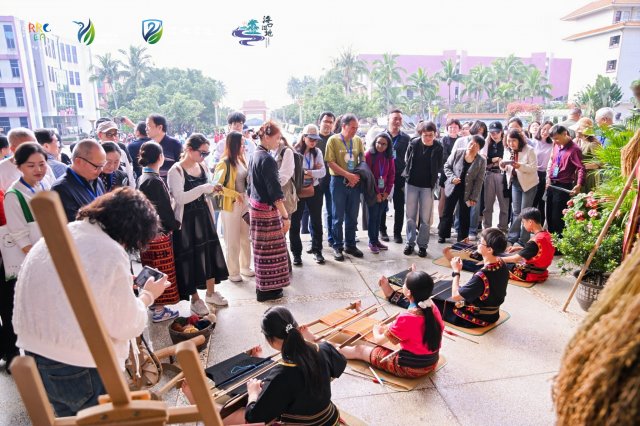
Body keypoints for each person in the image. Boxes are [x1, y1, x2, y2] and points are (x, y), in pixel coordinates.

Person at [13, 188, 170, 416]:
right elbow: (126, 325)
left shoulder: (63, 234)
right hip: (78, 361)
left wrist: (120, 285)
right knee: (98, 419)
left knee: (69, 419)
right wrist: (148, 295)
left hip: (34, 355)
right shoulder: (109, 251)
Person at [185, 306, 346, 425]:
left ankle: (198, 402)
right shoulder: (322, 349)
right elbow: (340, 363)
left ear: (270, 340)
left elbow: (253, 417)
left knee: (235, 415)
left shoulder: (282, 375)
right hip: (329, 419)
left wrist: (253, 393)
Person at [1, 143, 51, 371]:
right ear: (18, 166)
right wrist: (41, 263)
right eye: (31, 165)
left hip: (50, 258)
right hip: (33, 265)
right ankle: (39, 364)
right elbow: (21, 238)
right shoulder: (14, 196)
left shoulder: (45, 184)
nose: (38, 169)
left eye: (41, 164)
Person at [168, 133, 229, 315]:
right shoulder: (176, 170)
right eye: (201, 153)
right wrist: (203, 188)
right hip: (187, 220)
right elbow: (180, 198)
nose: (204, 156)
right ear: (189, 149)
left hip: (204, 215)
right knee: (190, 257)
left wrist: (213, 189)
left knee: (209, 253)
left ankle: (211, 292)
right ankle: (195, 299)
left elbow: (207, 191)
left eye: (206, 153)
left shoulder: (202, 166)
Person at [341, 270, 444, 378]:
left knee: (360, 350)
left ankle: (332, 349)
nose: (403, 285)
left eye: (404, 283)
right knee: (391, 336)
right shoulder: (432, 307)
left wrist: (376, 329)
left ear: (409, 292)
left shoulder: (407, 318)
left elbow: (378, 340)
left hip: (410, 369)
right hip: (431, 362)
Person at [137, 142, 181, 322]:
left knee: (152, 268)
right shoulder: (154, 180)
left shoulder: (143, 177)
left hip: (147, 233)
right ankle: (159, 310)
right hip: (158, 233)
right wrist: (174, 225)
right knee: (161, 270)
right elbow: (163, 210)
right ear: (160, 157)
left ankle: (153, 303)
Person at [249, 121, 291, 302]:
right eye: (277, 137)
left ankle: (264, 289)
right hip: (266, 213)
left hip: (256, 209)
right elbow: (275, 193)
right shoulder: (267, 159)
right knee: (270, 253)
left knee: (262, 252)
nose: (279, 141)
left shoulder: (256, 154)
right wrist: (285, 216)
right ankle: (268, 291)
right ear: (266, 137)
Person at [435, 228, 509, 328]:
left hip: (478, 317)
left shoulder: (481, 276)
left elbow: (455, 296)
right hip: (494, 314)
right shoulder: (501, 262)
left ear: (489, 249)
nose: (478, 244)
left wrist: (456, 272)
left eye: (480, 242)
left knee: (433, 302)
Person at [213, 131, 254, 281]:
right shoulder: (224, 163)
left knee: (245, 237)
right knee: (232, 240)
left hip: (244, 202)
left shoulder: (241, 159)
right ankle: (233, 271)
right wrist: (234, 194)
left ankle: (245, 267)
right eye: (242, 144)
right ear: (234, 145)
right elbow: (215, 186)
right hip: (231, 204)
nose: (244, 147)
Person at [324, 114, 365, 261]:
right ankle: (337, 246)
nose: (355, 130)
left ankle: (350, 245)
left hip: (355, 182)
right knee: (337, 216)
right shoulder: (333, 140)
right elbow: (330, 162)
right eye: (352, 127)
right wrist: (348, 175)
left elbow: (362, 160)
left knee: (352, 216)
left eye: (357, 128)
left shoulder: (358, 140)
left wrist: (356, 176)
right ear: (344, 126)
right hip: (338, 182)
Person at [401, 121, 443, 257]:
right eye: (425, 135)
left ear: (435, 134)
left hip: (427, 186)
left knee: (425, 218)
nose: (428, 138)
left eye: (431, 135)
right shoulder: (413, 143)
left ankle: (423, 245)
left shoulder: (438, 147)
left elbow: (439, 165)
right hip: (411, 183)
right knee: (410, 216)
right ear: (420, 134)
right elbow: (407, 160)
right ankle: (410, 243)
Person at [438, 135, 486, 243]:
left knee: (465, 214)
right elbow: (447, 166)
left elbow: (479, 180)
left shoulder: (481, 161)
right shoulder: (458, 152)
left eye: (476, 145)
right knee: (447, 211)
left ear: (479, 148)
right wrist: (452, 178)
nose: (472, 146)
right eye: (471, 143)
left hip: (467, 190)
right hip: (453, 186)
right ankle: (443, 235)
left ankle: (462, 238)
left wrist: (474, 197)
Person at [290, 124, 326, 265]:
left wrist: (307, 172)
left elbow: (322, 172)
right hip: (297, 191)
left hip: (314, 190)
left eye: (315, 139)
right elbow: (292, 173)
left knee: (316, 221)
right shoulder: (293, 152)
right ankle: (296, 254)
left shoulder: (317, 152)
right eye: (311, 139)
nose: (313, 142)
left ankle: (317, 251)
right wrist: (312, 171)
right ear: (304, 137)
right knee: (295, 223)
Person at [52, 139, 106, 222]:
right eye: (97, 166)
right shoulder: (61, 189)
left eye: (102, 165)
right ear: (78, 161)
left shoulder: (98, 181)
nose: (101, 170)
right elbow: (74, 224)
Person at [545, 125, 585, 237]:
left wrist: (579, 184)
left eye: (557, 138)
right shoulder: (556, 145)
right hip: (552, 184)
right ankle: (551, 240)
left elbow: (581, 168)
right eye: (553, 139)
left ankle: (559, 242)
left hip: (563, 186)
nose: (555, 141)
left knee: (558, 218)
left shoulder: (574, 149)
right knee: (549, 215)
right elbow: (553, 162)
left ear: (565, 134)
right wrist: (548, 179)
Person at [501, 130, 539, 246]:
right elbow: (506, 168)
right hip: (515, 183)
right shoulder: (507, 150)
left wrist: (519, 166)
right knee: (516, 211)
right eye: (509, 141)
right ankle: (512, 237)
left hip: (529, 184)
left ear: (519, 140)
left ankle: (523, 239)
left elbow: (533, 168)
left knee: (525, 212)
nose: (511, 143)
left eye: (514, 140)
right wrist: (503, 166)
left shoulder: (529, 150)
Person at [501, 207, 555, 283]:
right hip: (542, 271)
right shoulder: (548, 235)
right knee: (505, 256)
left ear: (530, 222)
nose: (523, 225)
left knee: (498, 263)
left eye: (523, 222)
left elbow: (515, 259)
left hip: (530, 274)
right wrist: (521, 248)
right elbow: (540, 250)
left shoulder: (535, 241)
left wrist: (496, 259)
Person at [382, 109, 410, 244]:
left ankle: (397, 233)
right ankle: (382, 231)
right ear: (388, 120)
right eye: (395, 118)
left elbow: (409, 158)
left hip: (399, 176)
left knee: (399, 206)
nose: (397, 121)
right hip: (383, 176)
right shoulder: (381, 136)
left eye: (400, 119)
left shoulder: (406, 138)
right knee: (382, 204)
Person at [365, 132, 395, 254]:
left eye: (384, 144)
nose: (380, 146)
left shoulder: (389, 156)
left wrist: (387, 192)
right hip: (372, 191)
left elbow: (391, 174)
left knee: (379, 217)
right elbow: (368, 176)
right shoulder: (369, 155)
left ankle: (376, 240)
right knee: (373, 217)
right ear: (374, 142)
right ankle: (371, 242)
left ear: (388, 146)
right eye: (378, 143)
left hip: (384, 193)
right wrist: (377, 193)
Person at [482, 121, 509, 233]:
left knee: (504, 204)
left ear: (501, 132)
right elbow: (483, 160)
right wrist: (494, 160)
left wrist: (497, 161)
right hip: (489, 174)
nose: (494, 135)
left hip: (503, 175)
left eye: (497, 132)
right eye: (492, 132)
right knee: (488, 204)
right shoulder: (487, 143)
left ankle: (503, 227)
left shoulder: (506, 142)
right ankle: (487, 228)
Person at [316, 112, 336, 248]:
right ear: (320, 122)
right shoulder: (313, 138)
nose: (327, 124)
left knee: (331, 211)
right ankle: (315, 241)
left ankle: (331, 238)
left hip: (332, 181)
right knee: (315, 213)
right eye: (325, 121)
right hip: (316, 182)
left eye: (330, 122)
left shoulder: (335, 139)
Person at [95, 121, 135, 187]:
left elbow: (129, 175)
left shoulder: (121, 152)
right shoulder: (95, 153)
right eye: (109, 134)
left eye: (115, 134)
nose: (113, 138)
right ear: (100, 135)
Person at [146, 114, 183, 179]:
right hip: (152, 183)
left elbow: (181, 167)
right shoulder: (148, 146)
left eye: (148, 126)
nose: (146, 129)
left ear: (160, 127)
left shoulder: (175, 144)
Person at [438, 119, 461, 220]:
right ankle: (441, 219)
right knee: (444, 197)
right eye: (450, 127)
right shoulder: (444, 140)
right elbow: (444, 157)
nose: (453, 129)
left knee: (456, 199)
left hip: (459, 173)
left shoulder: (461, 140)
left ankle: (453, 219)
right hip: (446, 172)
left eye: (455, 127)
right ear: (447, 128)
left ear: (459, 128)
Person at [572, 117, 602, 193]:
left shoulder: (593, 144)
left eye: (578, 129)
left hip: (588, 177)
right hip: (578, 175)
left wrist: (582, 166)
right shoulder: (576, 141)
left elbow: (600, 163)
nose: (576, 131)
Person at [532, 121, 554, 225]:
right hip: (533, 173)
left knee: (542, 202)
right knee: (532, 201)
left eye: (548, 130)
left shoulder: (552, 144)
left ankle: (539, 226)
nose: (545, 132)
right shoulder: (533, 142)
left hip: (545, 175)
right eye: (544, 129)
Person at [274, 136, 298, 217]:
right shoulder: (269, 151)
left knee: (285, 221)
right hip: (276, 196)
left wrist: (270, 186)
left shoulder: (286, 151)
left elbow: (284, 177)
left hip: (285, 195)